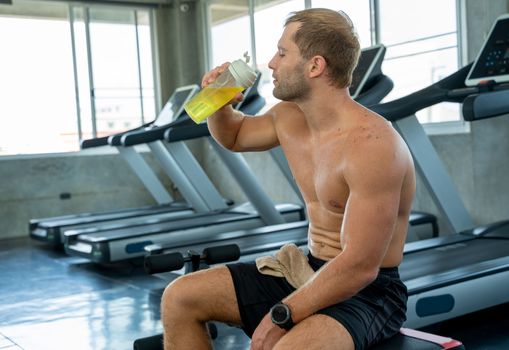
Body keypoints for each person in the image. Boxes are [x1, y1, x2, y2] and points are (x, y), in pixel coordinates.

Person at [160, 8, 415, 350]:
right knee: (179, 297)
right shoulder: (288, 117)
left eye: (282, 53)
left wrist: (282, 315)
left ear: (315, 66)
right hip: (307, 268)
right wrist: (220, 103)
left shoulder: (373, 146)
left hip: (368, 293)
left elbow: (360, 266)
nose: (270, 64)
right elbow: (234, 137)